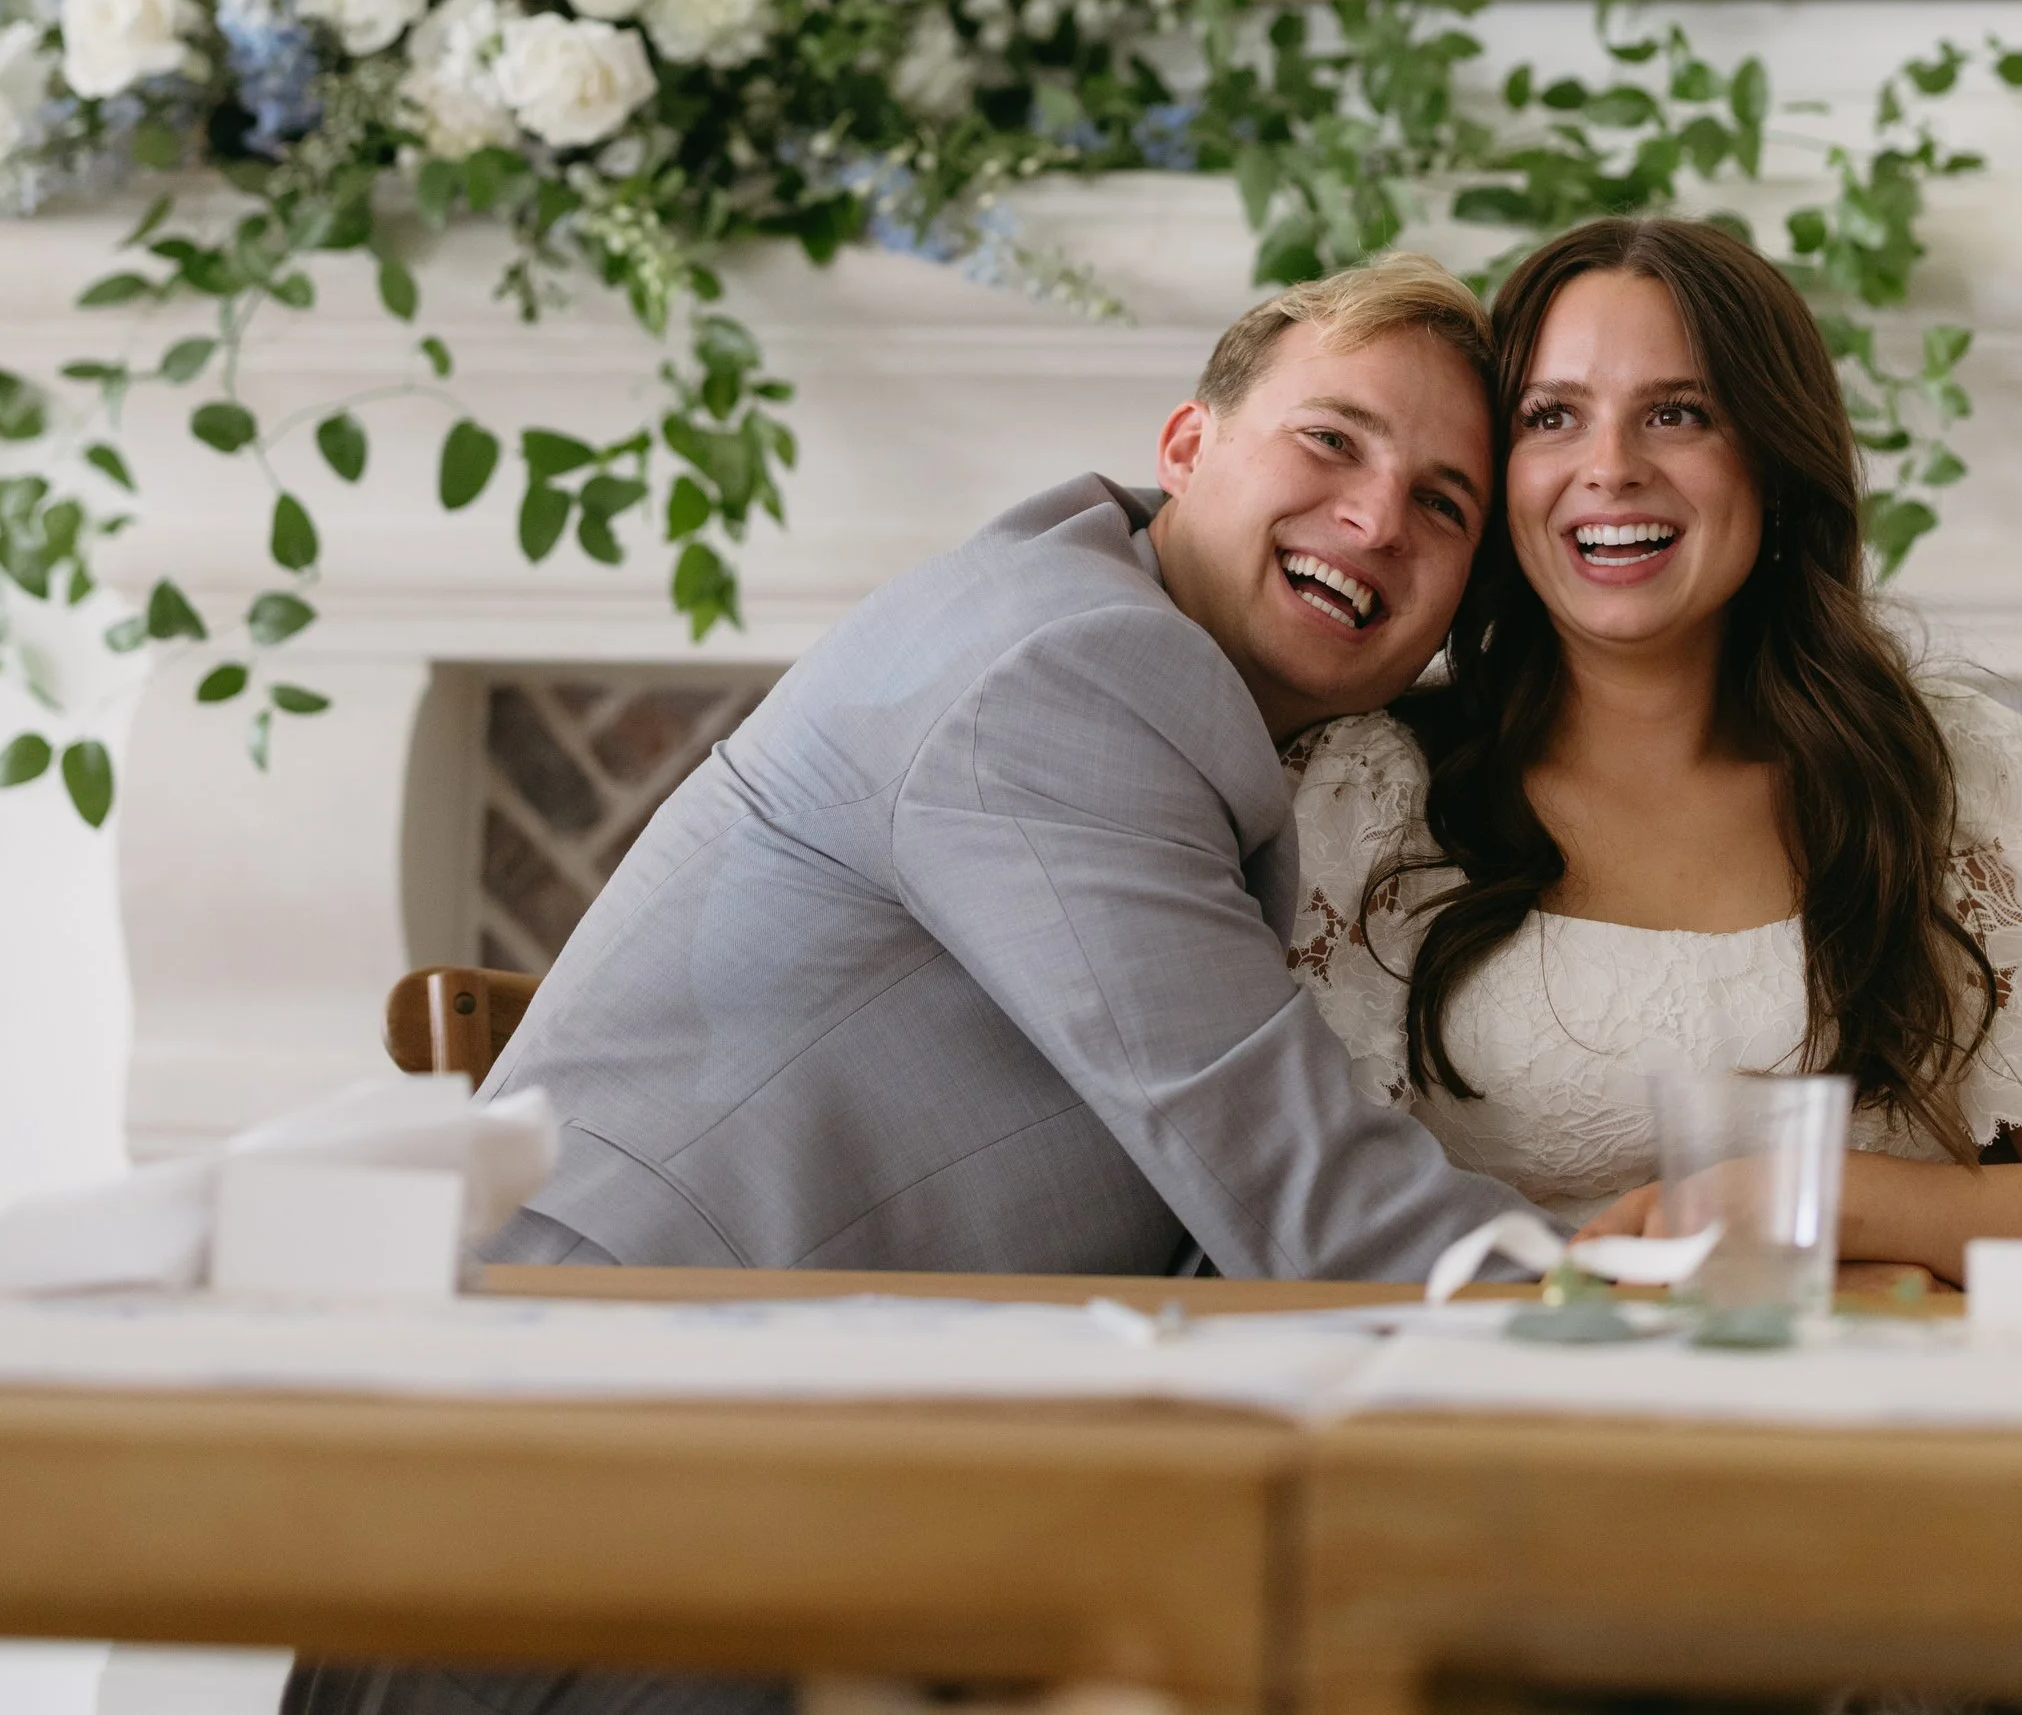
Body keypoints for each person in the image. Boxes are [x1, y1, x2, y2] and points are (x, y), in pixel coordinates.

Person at [290, 255, 1542, 1715]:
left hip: (781, 1479)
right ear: (1187, 448)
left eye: (1443, 504)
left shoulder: (1128, 650)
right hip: (578, 1509)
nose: (1377, 516)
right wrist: (1653, 1328)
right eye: (1332, 440)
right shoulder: (1071, 670)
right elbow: (1294, 1189)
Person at [1289, 214, 2022, 1280]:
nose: (1609, 468)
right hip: (1487, 1416)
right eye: (1551, 416)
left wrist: (1818, 1197)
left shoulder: (1956, 782)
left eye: (1678, 413)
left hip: (1865, 1424)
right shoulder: (1363, 791)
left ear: (1774, 464)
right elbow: (1269, 1207)